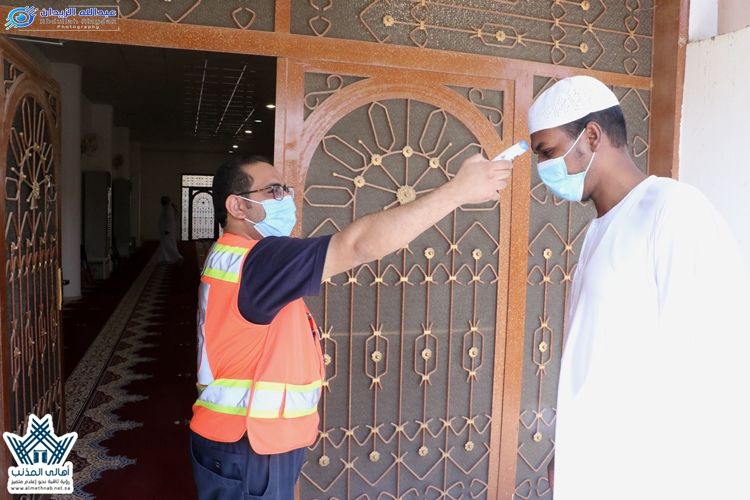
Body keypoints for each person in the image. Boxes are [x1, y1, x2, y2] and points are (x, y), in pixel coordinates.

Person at [189, 153, 513, 499]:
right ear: (237, 206)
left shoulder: (233, 256)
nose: (286, 199)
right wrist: (457, 192)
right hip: (249, 443)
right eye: (273, 191)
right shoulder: (258, 260)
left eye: (285, 189)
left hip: (248, 439)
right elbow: (358, 245)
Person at [530, 76, 750, 499]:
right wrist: (569, 447)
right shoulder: (599, 229)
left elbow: (711, 359)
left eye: (548, 152)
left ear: (591, 136)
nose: (543, 168)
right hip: (596, 464)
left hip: (648, 473)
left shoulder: (673, 209)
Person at [158, 195, 183, 264]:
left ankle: (179, 257)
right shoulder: (166, 208)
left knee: (169, 245)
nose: (161, 202)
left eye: (162, 201)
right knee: (164, 245)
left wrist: (167, 230)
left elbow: (170, 220)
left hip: (167, 231)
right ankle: (166, 259)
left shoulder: (169, 209)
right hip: (165, 230)